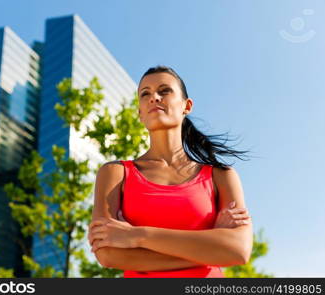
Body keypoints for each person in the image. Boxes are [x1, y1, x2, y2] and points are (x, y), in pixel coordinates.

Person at [88, 65, 253, 278]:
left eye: (164, 91)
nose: (154, 97)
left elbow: (237, 251)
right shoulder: (115, 173)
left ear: (187, 105)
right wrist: (209, 247)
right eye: (145, 94)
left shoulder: (221, 176)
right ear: (139, 112)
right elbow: (108, 254)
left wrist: (137, 236)